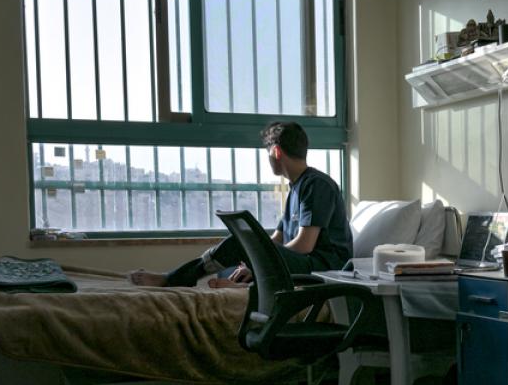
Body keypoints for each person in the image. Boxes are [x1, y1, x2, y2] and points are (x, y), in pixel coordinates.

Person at [130, 122, 352, 288]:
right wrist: (251, 253)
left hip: (322, 266)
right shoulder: (296, 187)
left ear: (276, 152)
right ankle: (242, 283)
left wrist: (258, 259)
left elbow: (304, 246)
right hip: (303, 261)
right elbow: (277, 238)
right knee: (238, 253)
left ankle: (173, 279)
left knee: (243, 247)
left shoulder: (316, 185)